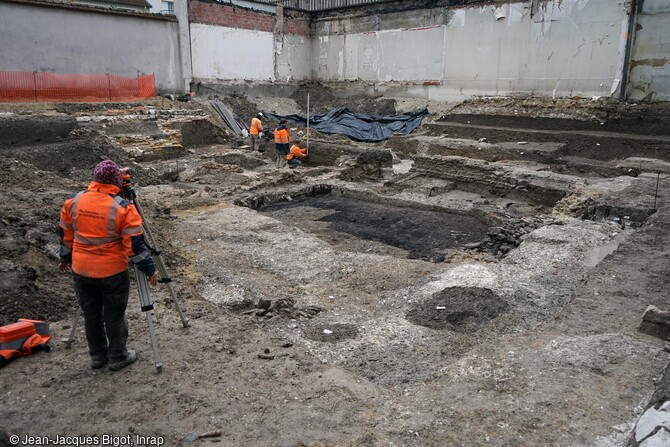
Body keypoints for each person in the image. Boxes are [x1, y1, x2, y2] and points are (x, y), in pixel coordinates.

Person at [58, 160, 159, 372]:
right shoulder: (123, 208)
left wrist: (65, 258)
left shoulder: (73, 202)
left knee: (91, 313)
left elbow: (66, 236)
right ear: (116, 181)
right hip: (112, 271)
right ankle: (118, 356)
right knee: (113, 313)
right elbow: (134, 246)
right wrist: (149, 269)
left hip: (81, 269)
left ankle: (97, 356)